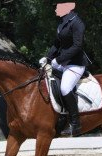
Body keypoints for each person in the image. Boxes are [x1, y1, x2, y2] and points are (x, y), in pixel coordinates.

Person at [40, 0, 91, 136]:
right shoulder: (63, 23)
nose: (55, 8)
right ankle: (60, 117)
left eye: (57, 6)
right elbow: (57, 44)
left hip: (75, 64)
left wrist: (59, 59)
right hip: (62, 64)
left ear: (66, 7)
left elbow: (77, 46)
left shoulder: (77, 23)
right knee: (49, 82)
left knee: (65, 88)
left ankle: (76, 124)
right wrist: (48, 58)